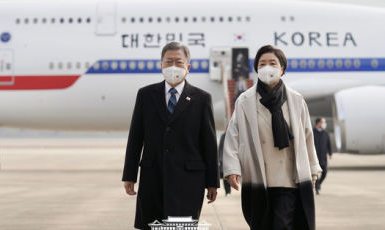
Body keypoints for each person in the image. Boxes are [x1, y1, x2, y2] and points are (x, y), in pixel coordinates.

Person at [223, 45, 322, 230]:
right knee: (261, 225)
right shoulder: (245, 101)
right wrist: (232, 168)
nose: (267, 67)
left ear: (282, 68)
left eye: (272, 63)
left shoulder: (296, 99)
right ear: (256, 69)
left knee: (282, 225)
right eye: (262, 63)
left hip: (289, 178)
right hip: (259, 178)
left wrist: (313, 168)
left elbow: (307, 135)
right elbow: (232, 135)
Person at [122, 42, 219, 230]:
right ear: (161, 66)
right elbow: (135, 138)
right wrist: (129, 175)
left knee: (180, 227)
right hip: (153, 177)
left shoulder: (201, 98)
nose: (173, 66)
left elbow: (208, 143)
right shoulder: (146, 95)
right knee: (152, 225)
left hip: (189, 180)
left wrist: (212, 182)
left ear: (188, 67)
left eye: (178, 62)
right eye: (168, 61)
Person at [313, 117, 332, 195]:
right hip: (315, 157)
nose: (324, 124)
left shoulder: (325, 133)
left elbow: (328, 144)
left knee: (324, 173)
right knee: (316, 173)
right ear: (318, 123)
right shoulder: (312, 132)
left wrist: (330, 153)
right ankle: (317, 188)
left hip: (323, 157)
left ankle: (318, 184)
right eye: (322, 122)